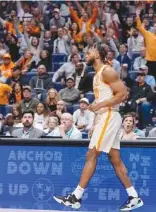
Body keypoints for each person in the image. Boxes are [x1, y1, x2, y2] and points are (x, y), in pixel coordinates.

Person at [54, 43, 143, 211]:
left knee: (91, 154)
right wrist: (95, 122)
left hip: (109, 115)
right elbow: (103, 100)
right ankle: (134, 197)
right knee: (114, 159)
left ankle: (76, 197)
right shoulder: (96, 75)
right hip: (105, 116)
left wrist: (100, 106)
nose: (85, 55)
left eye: (88, 52)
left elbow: (123, 94)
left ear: (96, 53)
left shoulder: (107, 71)